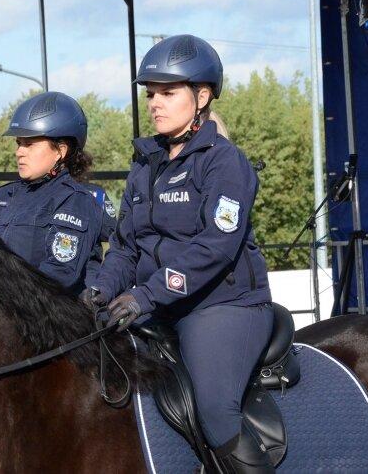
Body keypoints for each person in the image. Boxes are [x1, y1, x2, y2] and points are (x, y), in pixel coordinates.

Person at [82, 35, 275, 473]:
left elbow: (216, 247)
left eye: (168, 93)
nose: (155, 103)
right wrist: (99, 291)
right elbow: (126, 248)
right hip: (158, 304)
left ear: (202, 96)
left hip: (222, 305)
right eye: (151, 94)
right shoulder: (145, 164)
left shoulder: (224, 162)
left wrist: (143, 298)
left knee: (213, 408)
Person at [0, 91, 111, 294]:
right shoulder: (1, 197)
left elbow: (57, 274)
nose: (19, 152)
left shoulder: (75, 201)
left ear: (61, 151)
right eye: (19, 144)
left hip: (41, 317)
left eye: (29, 144)